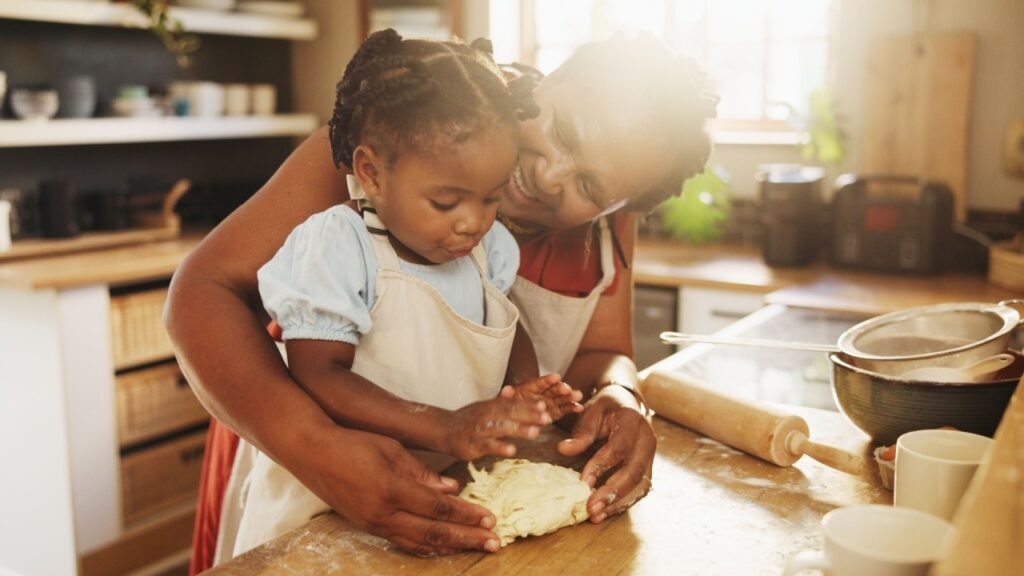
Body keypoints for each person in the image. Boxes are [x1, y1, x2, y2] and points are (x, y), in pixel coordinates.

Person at [165, 31, 716, 571]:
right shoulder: (409, 130)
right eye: (564, 131)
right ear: (549, 80)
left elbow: (601, 351)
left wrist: (620, 396)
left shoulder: (613, 200)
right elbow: (202, 293)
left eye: (591, 190)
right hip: (290, 433)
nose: (550, 177)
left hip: (460, 491)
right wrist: (315, 448)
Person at [229, 29, 583, 556]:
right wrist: (442, 426)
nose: (473, 223)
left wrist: (522, 389)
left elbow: (504, 325)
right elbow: (318, 374)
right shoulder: (339, 247)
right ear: (372, 172)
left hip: (427, 495)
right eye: (446, 202)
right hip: (322, 506)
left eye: (490, 198)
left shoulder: (491, 249)